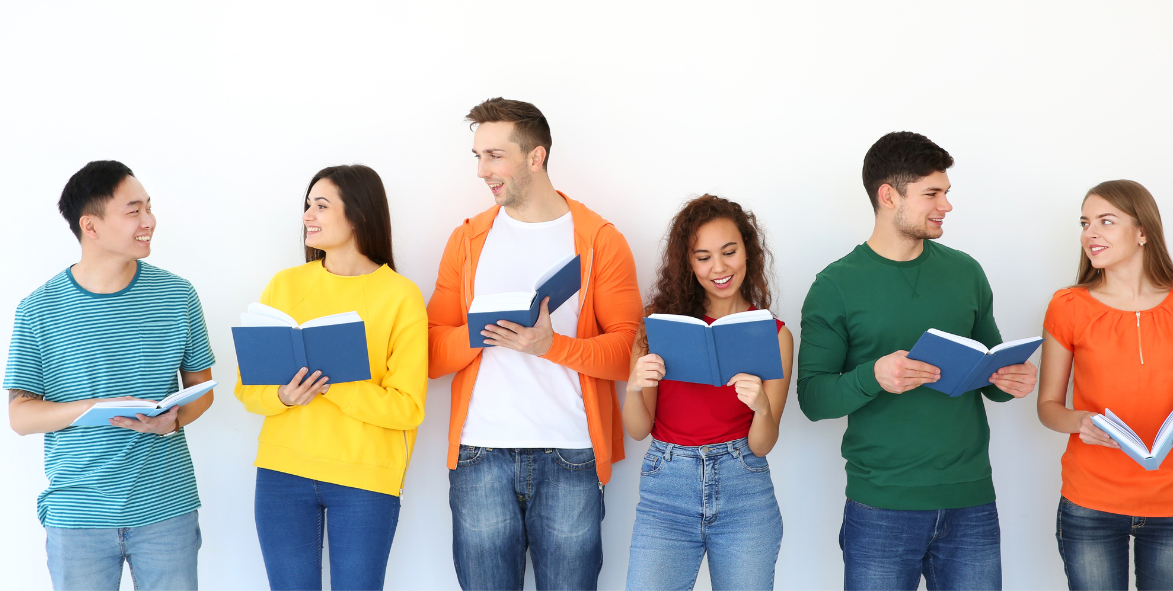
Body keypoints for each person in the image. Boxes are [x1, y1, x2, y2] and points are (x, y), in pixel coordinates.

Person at [797, 132, 1038, 591]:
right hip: (881, 509)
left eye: (946, 192)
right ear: (888, 196)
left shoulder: (965, 272)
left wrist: (1011, 380)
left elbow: (990, 376)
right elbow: (813, 399)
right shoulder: (835, 286)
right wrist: (874, 376)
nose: (946, 205)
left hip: (971, 502)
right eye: (932, 193)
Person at [426, 97, 643, 591]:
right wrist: (484, 333)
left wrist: (550, 345)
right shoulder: (466, 241)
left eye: (495, 156)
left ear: (535, 157)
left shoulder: (600, 241)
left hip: (572, 455)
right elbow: (433, 354)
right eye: (477, 156)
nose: (482, 171)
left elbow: (626, 356)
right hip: (480, 454)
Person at [4, 160, 216, 591]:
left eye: (149, 208)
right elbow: (21, 417)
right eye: (133, 210)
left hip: (166, 509)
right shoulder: (38, 309)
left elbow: (202, 391)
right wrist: (92, 408)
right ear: (91, 226)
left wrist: (173, 419)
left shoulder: (177, 296)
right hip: (77, 515)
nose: (150, 221)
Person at [1036, 180, 1173, 591]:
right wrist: (1080, 422)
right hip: (1090, 503)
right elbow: (1048, 407)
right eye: (1085, 222)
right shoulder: (1068, 306)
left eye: (1106, 221)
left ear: (1143, 231)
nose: (1090, 233)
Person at [235, 165, 428, 591]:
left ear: (357, 214)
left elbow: (408, 407)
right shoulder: (285, 285)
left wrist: (335, 381)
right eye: (307, 205)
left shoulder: (400, 295)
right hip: (282, 472)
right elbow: (247, 387)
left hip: (365, 478)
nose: (308, 215)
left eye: (321, 206)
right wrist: (284, 396)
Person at [622, 195, 794, 591]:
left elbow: (763, 444)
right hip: (666, 492)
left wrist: (762, 409)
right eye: (703, 257)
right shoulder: (656, 329)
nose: (719, 267)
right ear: (688, 263)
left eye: (729, 252)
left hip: (745, 493)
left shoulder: (776, 335)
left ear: (747, 252)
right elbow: (637, 429)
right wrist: (635, 387)